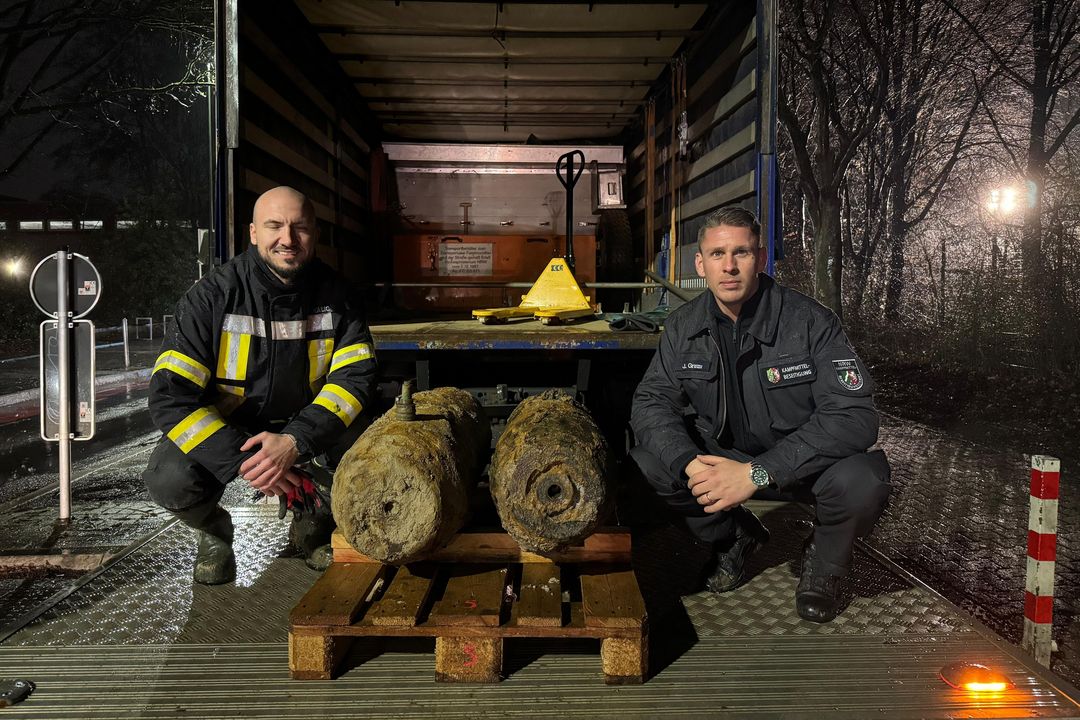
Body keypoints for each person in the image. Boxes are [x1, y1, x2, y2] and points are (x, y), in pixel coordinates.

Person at [629, 206, 890, 622]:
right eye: (717, 255)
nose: (729, 267)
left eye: (742, 253)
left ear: (761, 259)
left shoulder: (810, 323)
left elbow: (854, 416)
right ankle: (733, 535)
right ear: (701, 263)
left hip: (800, 464)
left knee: (863, 480)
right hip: (725, 459)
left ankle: (824, 563)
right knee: (650, 464)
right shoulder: (682, 326)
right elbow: (651, 402)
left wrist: (757, 473)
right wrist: (689, 462)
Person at [143, 186, 377, 585]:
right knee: (169, 477)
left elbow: (355, 381)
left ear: (314, 233)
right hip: (234, 429)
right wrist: (246, 460)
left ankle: (315, 523)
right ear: (253, 232)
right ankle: (214, 532)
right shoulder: (211, 298)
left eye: (299, 227)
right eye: (274, 226)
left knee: (365, 444)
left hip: (304, 425)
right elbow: (171, 397)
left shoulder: (339, 297)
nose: (287, 239)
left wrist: (294, 443)